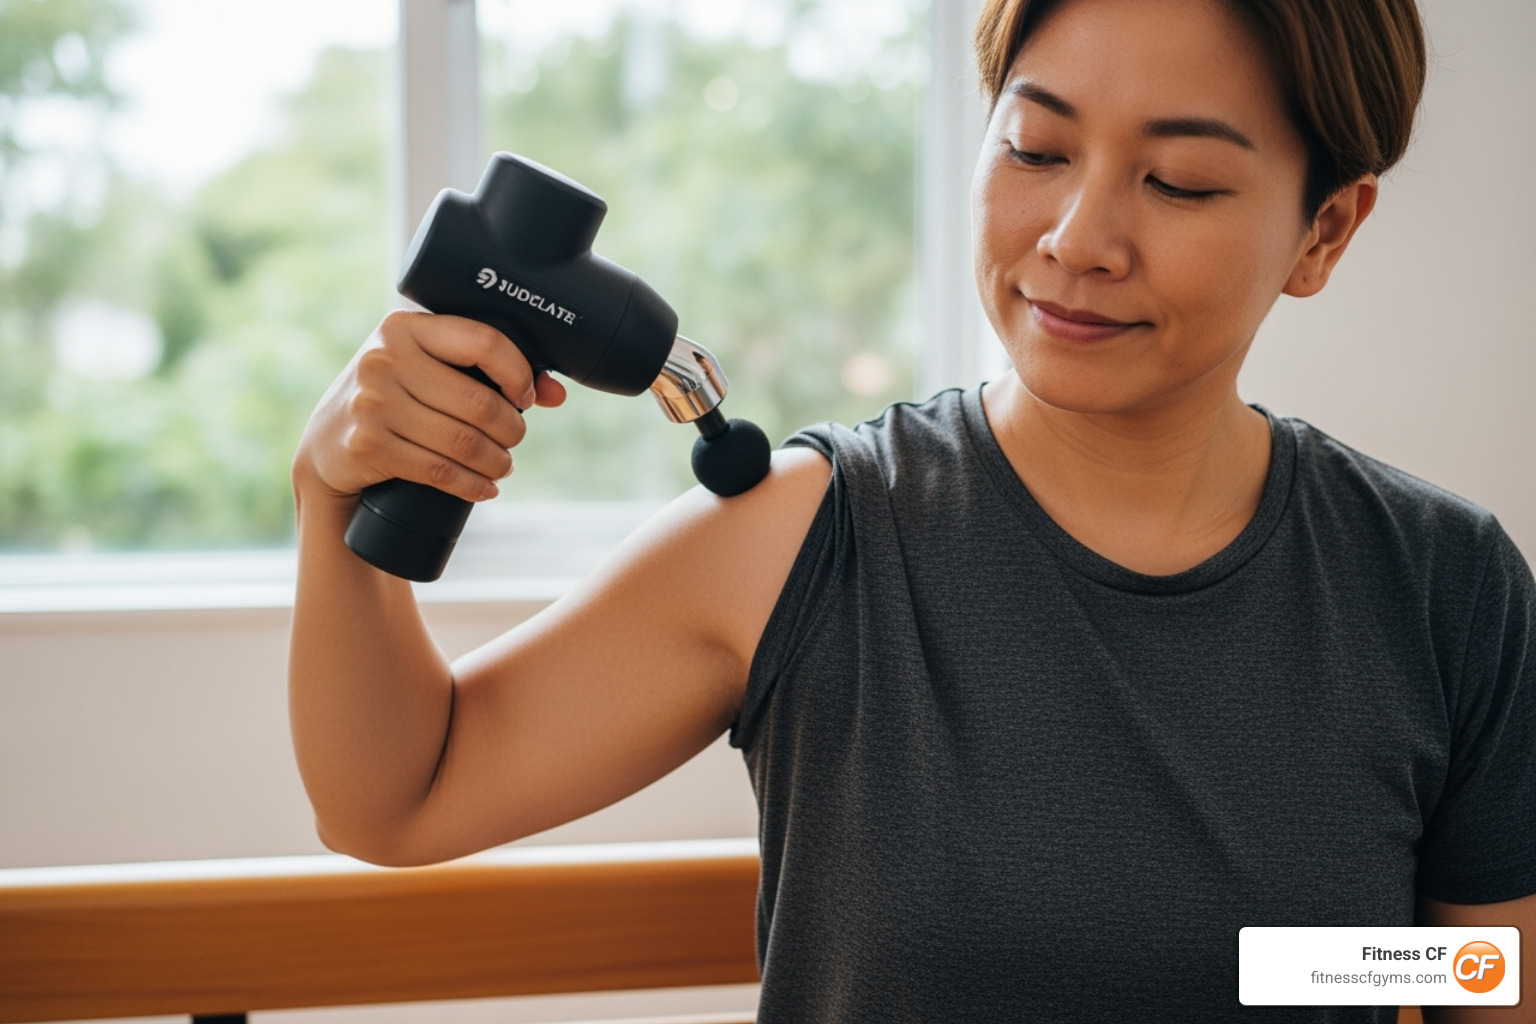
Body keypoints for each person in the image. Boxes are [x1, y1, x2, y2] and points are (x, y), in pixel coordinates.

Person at [288, 0, 1536, 1020]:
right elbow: (397, 793)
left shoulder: (1443, 583)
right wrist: (330, 505)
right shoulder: (810, 533)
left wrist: (1289, 965)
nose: (1077, 236)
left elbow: (1488, 972)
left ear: (1324, 229)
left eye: (1181, 182)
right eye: (1037, 150)